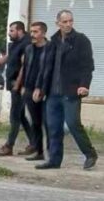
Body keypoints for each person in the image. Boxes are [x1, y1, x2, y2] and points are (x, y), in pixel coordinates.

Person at [36, 9, 97, 170]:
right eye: (65, 22)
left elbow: (87, 66)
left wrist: (84, 85)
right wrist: (40, 88)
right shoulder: (53, 42)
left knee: (73, 123)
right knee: (53, 128)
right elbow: (46, 68)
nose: (68, 24)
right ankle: (54, 160)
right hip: (52, 93)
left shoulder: (81, 41)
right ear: (58, 23)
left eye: (71, 21)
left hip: (71, 91)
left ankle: (90, 154)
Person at [0, 22, 33, 156]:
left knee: (15, 116)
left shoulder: (26, 44)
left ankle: (9, 146)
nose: (9, 33)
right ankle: (34, 143)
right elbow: (8, 57)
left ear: (20, 31)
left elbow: (25, 66)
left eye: (12, 30)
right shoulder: (15, 43)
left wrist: (18, 84)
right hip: (13, 82)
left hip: (19, 84)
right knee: (21, 116)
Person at [18, 21, 50, 162]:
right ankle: (39, 151)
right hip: (30, 89)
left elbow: (49, 71)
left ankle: (52, 153)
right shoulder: (29, 49)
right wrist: (23, 86)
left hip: (45, 89)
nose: (33, 35)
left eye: (36, 32)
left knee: (48, 123)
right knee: (35, 122)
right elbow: (25, 68)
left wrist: (43, 89)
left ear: (43, 33)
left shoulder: (51, 48)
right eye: (31, 32)